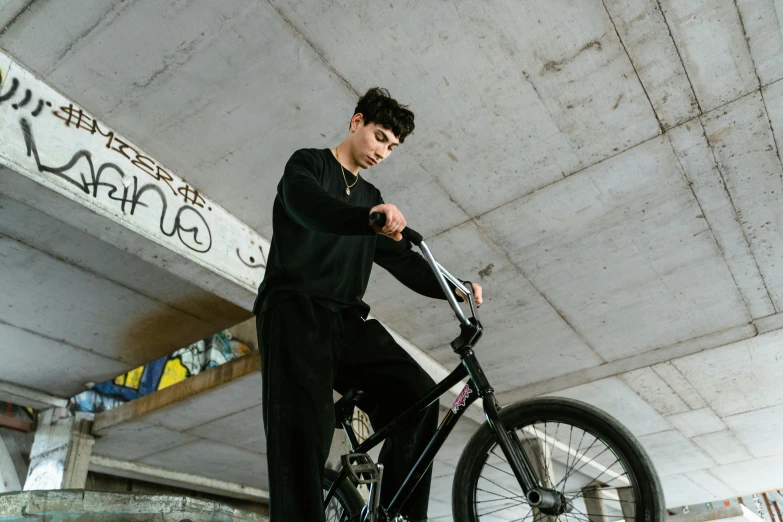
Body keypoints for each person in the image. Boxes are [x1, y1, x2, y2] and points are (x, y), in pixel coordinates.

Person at [253, 87, 483, 522]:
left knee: (417, 397)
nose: (384, 151)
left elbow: (402, 260)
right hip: (293, 312)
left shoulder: (371, 194)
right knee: (304, 433)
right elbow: (309, 208)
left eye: (393, 147)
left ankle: (397, 517)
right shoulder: (308, 165)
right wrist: (367, 219)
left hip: (346, 318)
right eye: (380, 137)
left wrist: (455, 287)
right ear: (356, 122)